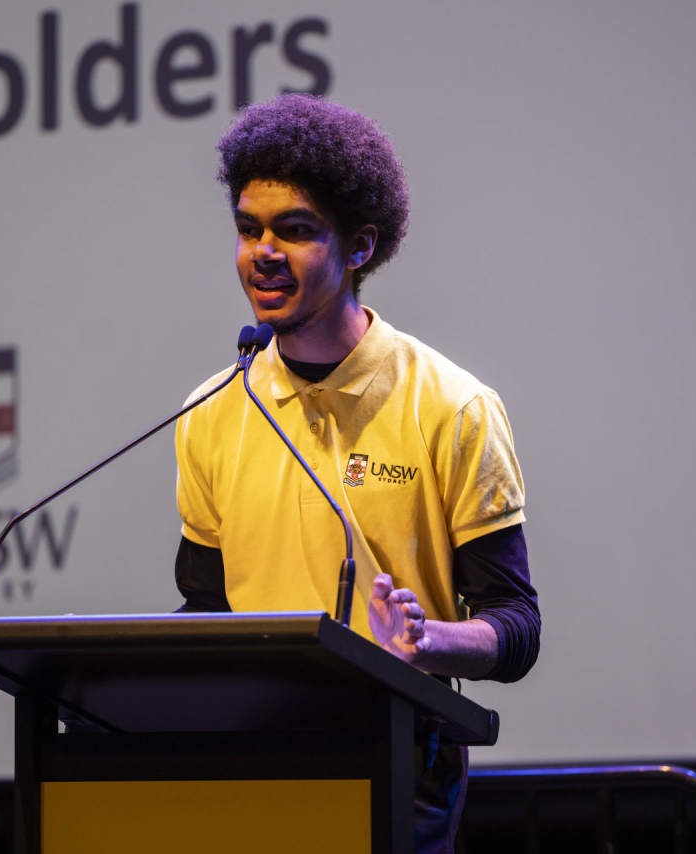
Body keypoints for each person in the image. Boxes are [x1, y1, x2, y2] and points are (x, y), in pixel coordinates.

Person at [173, 93, 540, 853]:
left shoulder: (454, 406)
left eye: (296, 231)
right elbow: (205, 608)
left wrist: (425, 642)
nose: (263, 252)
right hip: (250, 764)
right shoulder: (210, 410)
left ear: (360, 246)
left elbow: (517, 625)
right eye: (249, 229)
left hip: (399, 762)